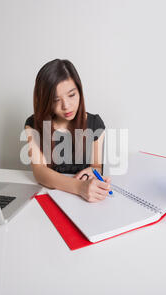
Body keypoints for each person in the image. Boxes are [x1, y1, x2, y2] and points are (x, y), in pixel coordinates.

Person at [24, 59, 112, 202]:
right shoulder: (33, 125)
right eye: (55, 100)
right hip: (50, 196)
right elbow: (39, 172)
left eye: (71, 95)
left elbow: (97, 166)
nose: (66, 106)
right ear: (45, 101)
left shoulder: (95, 124)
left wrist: (93, 172)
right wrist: (79, 187)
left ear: (79, 91)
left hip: (84, 201)